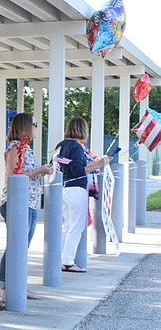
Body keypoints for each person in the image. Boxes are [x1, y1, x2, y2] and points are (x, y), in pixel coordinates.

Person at [0, 113, 54, 304]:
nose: (37, 128)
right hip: (16, 203)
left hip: (29, 202)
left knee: (22, 246)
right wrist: (39, 171)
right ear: (25, 128)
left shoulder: (26, 149)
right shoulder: (15, 148)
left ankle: (17, 284)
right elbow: (14, 174)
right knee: (16, 245)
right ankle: (6, 288)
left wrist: (45, 171)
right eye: (35, 124)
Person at [53, 117, 110, 273]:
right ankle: (68, 261)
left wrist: (99, 163)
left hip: (62, 188)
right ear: (82, 130)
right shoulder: (77, 148)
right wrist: (97, 165)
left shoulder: (61, 145)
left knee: (67, 226)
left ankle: (57, 259)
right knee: (76, 227)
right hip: (76, 189)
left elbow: (70, 165)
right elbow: (78, 170)